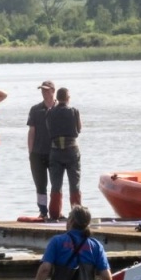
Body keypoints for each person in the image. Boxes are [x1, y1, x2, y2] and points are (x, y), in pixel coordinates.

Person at [31, 205, 112, 280]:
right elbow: (106, 276)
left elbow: (44, 269)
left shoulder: (57, 242)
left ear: (71, 221)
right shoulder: (95, 246)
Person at [45, 87, 83, 220]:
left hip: (55, 151)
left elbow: (49, 130)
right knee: (74, 183)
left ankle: (54, 214)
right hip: (72, 150)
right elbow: (79, 129)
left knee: (56, 184)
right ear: (68, 98)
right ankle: (77, 214)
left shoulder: (50, 113)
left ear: (58, 97)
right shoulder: (74, 111)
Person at [27, 80, 57, 219]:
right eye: (42, 90)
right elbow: (31, 131)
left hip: (55, 153)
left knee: (56, 184)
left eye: (46, 90)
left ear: (53, 90)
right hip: (38, 153)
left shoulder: (60, 108)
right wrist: (30, 152)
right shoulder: (35, 109)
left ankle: (56, 211)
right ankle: (43, 211)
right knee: (40, 185)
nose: (44, 92)